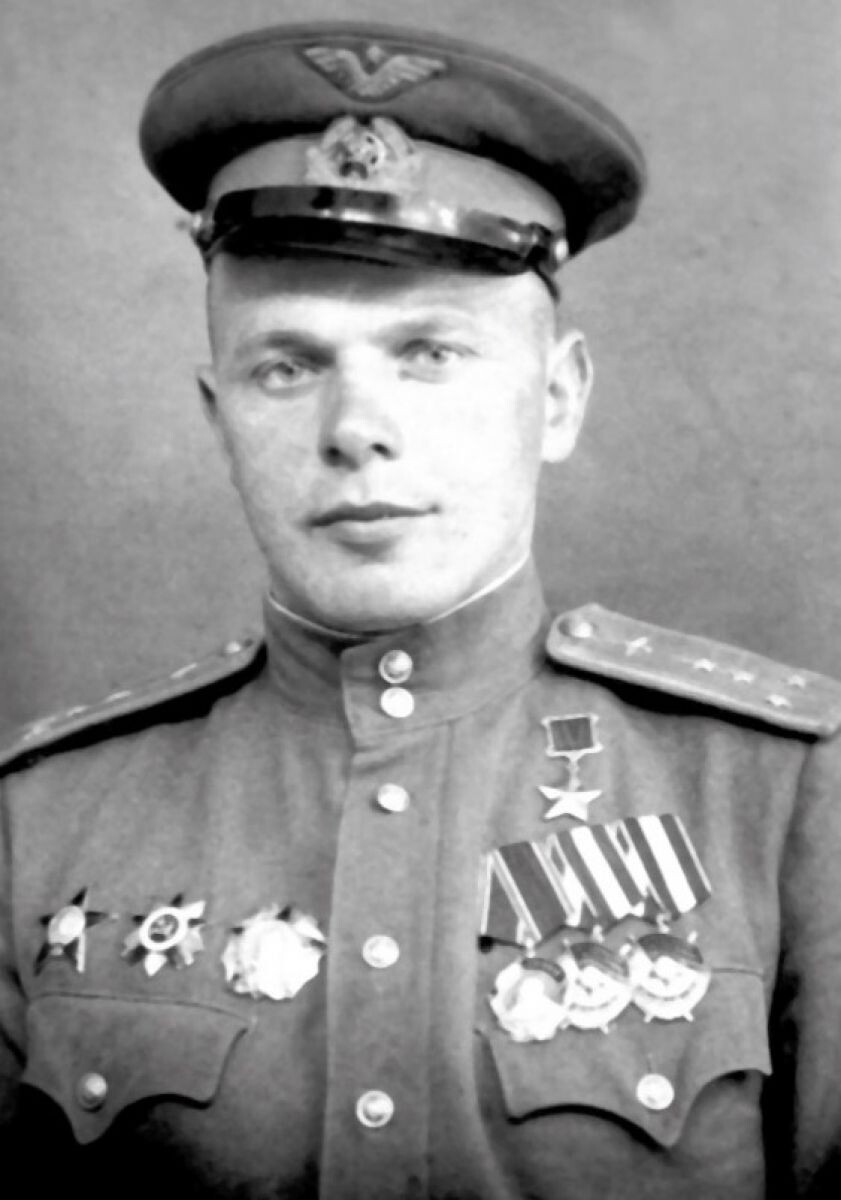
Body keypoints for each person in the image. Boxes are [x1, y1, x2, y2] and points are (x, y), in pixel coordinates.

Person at [1, 19, 840, 1200]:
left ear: (557, 400)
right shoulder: (42, 821)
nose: (357, 429)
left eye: (430, 354)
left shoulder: (780, 794)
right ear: (219, 417)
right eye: (287, 366)